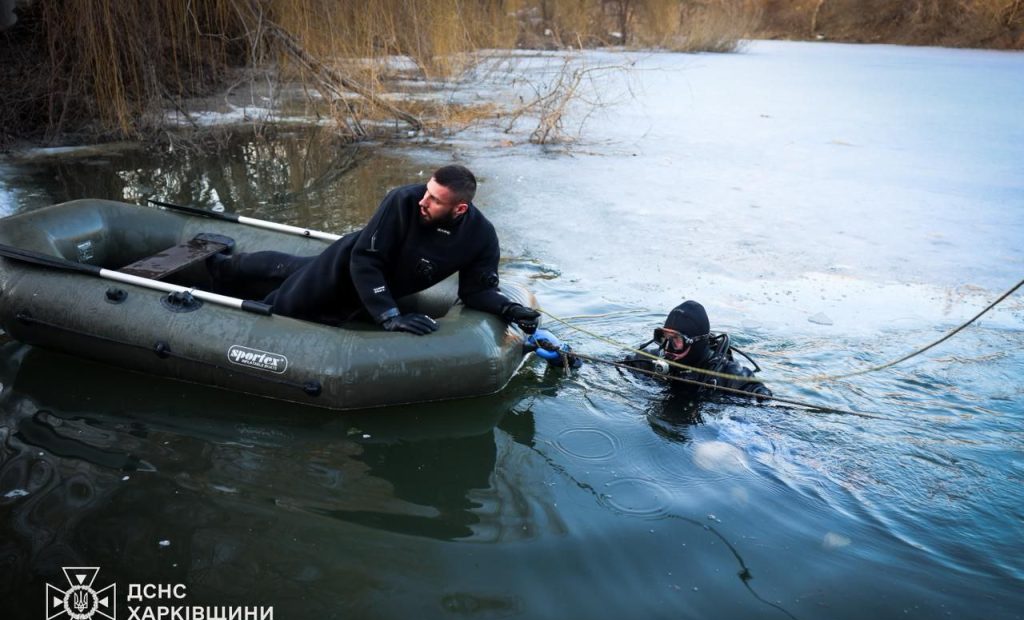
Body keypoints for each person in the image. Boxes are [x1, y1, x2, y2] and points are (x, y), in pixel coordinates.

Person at [209, 165, 540, 335]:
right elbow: (366, 260)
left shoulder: (480, 237)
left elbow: (477, 291)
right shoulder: (403, 200)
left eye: (435, 199)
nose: (423, 201)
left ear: (460, 209)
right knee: (281, 305)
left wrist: (509, 311)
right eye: (427, 191)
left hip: (376, 283)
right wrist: (390, 316)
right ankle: (219, 273)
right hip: (343, 267)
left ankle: (226, 266)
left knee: (294, 267)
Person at [621, 300, 771, 399]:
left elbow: (760, 396)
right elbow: (619, 366)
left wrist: (761, 395)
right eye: (664, 337)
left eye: (676, 340)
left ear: (696, 343)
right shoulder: (651, 360)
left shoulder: (726, 374)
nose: (667, 347)